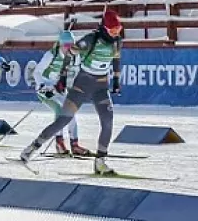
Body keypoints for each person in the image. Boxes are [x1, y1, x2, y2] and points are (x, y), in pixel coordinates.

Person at [21, 11, 124, 175]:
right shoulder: (91, 39)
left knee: (108, 120)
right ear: (104, 29)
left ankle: (100, 162)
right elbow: (69, 54)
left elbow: (117, 59)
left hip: (101, 86)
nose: (116, 34)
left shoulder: (117, 41)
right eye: (112, 31)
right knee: (64, 119)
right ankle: (32, 147)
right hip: (83, 84)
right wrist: (62, 76)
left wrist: (117, 79)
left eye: (118, 29)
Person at [33, 30, 90, 156]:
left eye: (71, 45)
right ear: (60, 44)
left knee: (71, 112)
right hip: (46, 89)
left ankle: (74, 144)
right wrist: (43, 86)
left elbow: (75, 73)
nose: (68, 48)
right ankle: (59, 142)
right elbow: (37, 72)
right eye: (66, 45)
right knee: (59, 110)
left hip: (60, 89)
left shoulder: (75, 56)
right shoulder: (51, 55)